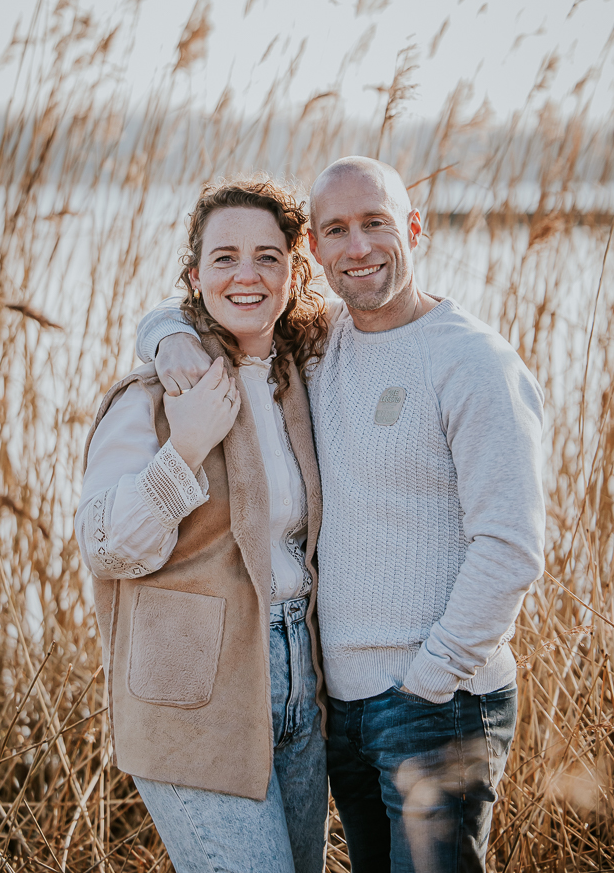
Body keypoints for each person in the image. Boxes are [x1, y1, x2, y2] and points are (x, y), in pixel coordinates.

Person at [135, 156, 546, 873]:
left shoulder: (472, 362)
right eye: (335, 231)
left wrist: (431, 675)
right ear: (312, 255)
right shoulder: (319, 344)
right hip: (342, 710)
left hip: (435, 703)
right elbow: (212, 300)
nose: (357, 247)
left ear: (411, 229)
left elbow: (510, 546)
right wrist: (167, 337)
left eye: (375, 224)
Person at [75, 179, 331, 873]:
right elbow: (105, 549)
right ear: (194, 275)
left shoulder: (302, 376)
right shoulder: (154, 397)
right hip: (192, 694)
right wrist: (184, 446)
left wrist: (163, 325)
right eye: (223, 258)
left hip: (300, 691)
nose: (245, 275)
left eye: (265, 257)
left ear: (293, 271)